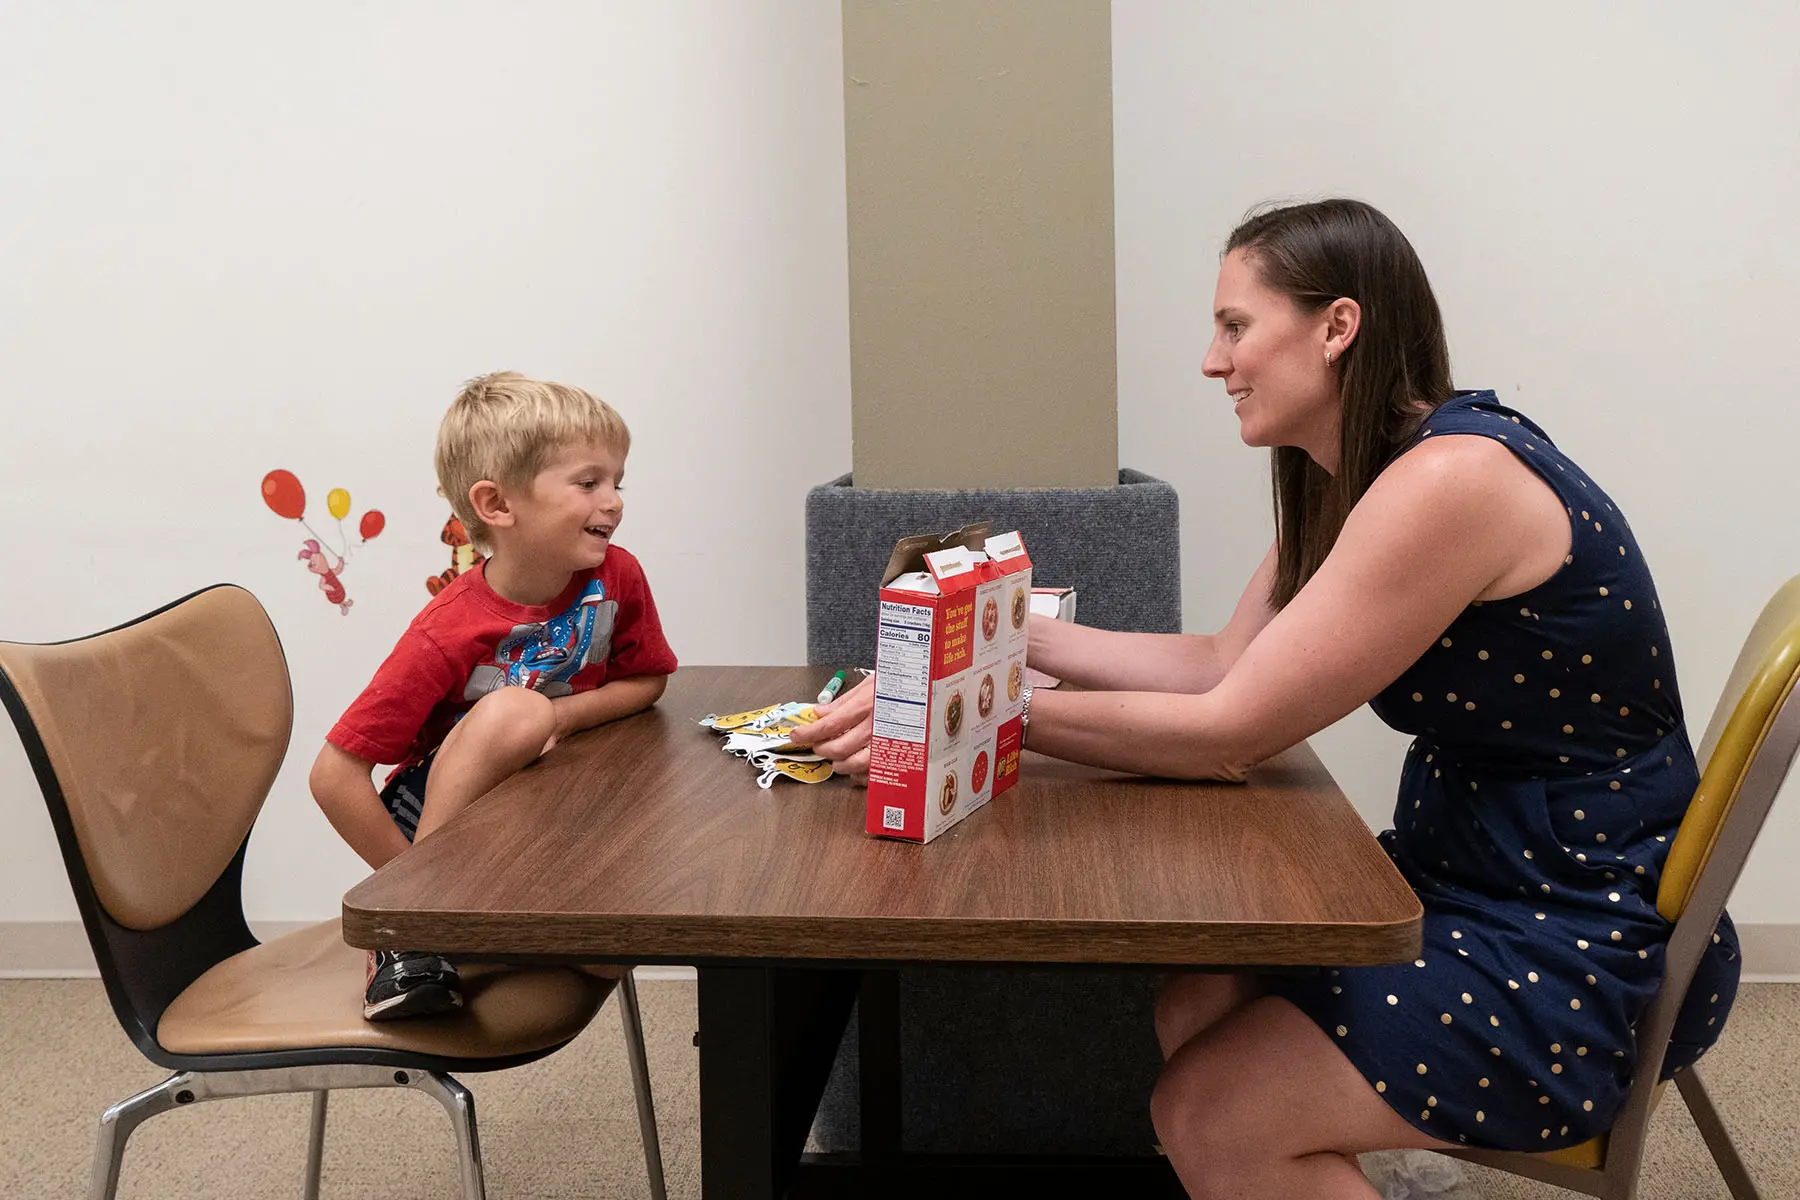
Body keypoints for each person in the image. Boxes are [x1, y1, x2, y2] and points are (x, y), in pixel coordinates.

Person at [786, 199, 1740, 1198]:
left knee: (1210, 1110)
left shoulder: (1453, 482)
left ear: (1336, 326)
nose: (1212, 360)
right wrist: (992, 635)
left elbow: (1226, 733)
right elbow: (1219, 663)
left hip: (1575, 933)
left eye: (1236, 327)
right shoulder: (1362, 475)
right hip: (1469, 879)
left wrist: (967, 712)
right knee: (1200, 1000)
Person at [310, 371, 678, 1020]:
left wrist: (561, 714)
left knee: (609, 955)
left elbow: (646, 680)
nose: (614, 501)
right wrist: (409, 886)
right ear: (498, 505)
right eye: (589, 483)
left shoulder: (616, 577)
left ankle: (482, 923)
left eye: (619, 481)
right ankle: (415, 933)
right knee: (514, 708)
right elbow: (333, 776)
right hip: (434, 809)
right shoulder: (445, 630)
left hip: (535, 809)